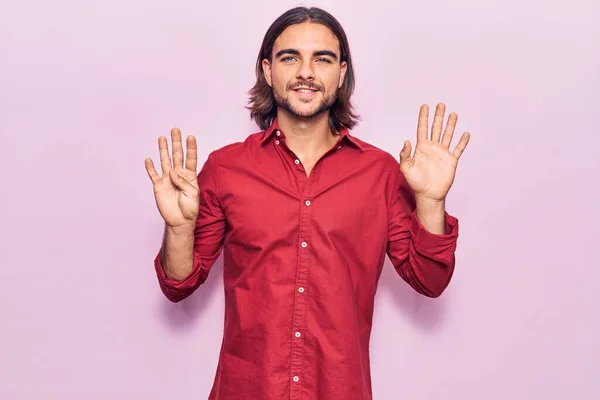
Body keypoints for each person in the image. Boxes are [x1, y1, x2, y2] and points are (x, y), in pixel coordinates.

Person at [144, 6, 470, 400]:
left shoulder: (381, 173)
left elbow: (430, 281)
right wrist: (179, 229)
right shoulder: (226, 168)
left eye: (323, 59)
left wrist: (431, 203)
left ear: (342, 73)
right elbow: (178, 284)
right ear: (267, 70)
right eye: (290, 57)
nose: (306, 73)